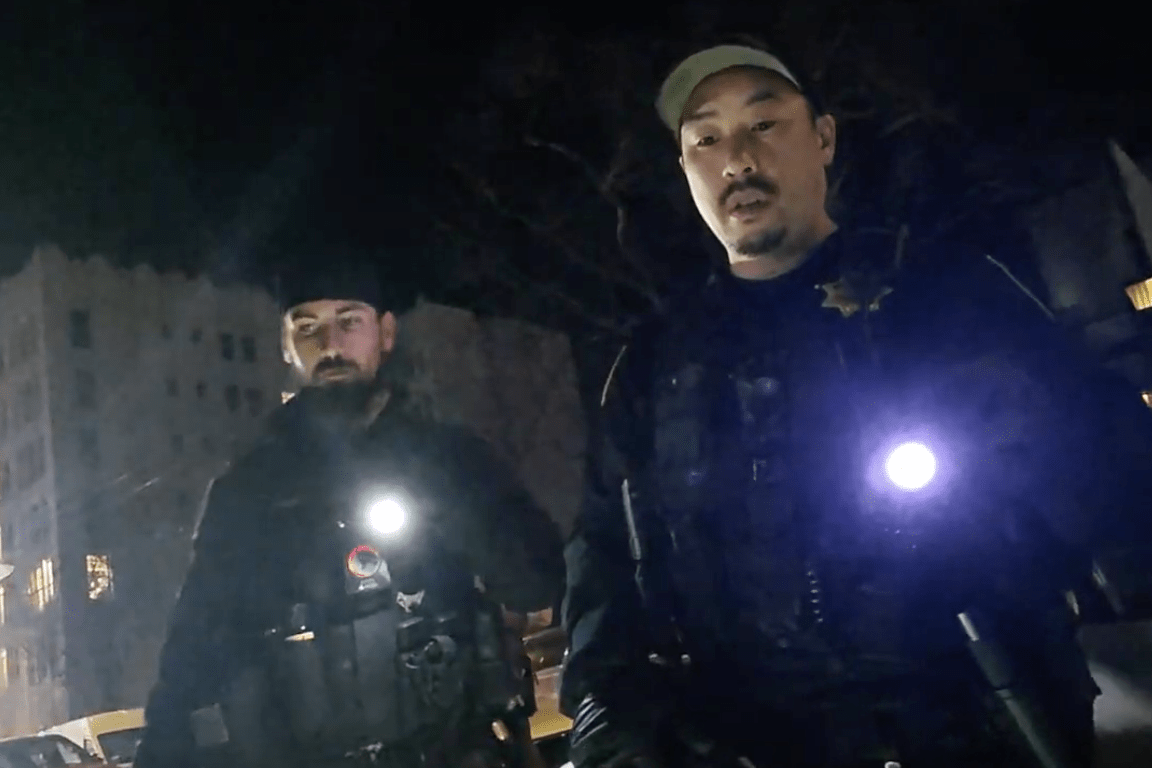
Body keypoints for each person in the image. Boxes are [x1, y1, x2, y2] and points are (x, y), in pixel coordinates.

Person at [561, 43, 1152, 768]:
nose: (737, 159)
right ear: (686, 172)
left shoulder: (946, 295)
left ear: (825, 138)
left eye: (765, 124)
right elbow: (602, 554)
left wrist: (1041, 424)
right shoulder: (656, 362)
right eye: (705, 140)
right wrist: (606, 708)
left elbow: (1120, 478)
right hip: (753, 742)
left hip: (975, 722)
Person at [135, 263, 566, 768]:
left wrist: (450, 499)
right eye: (307, 327)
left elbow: (537, 580)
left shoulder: (450, 457)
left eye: (348, 321)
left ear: (385, 333)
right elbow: (196, 642)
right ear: (285, 346)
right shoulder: (250, 490)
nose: (330, 344)